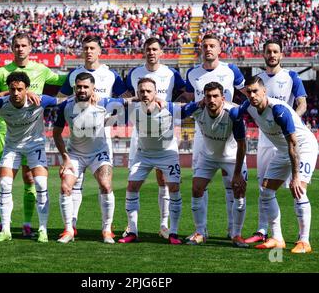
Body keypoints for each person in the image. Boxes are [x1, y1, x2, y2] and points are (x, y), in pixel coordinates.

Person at [0, 32, 65, 239]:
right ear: (12, 48)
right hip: (6, 134)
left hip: (32, 133)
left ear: (30, 48)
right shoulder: (1, 72)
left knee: (30, 179)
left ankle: (27, 223)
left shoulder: (41, 69)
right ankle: (2, 224)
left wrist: (85, 73)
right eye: (16, 45)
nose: (20, 49)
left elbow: (64, 80)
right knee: (3, 181)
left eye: (24, 45)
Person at [57, 35, 128, 236]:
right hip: (77, 137)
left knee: (105, 183)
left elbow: (123, 100)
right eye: (85, 47)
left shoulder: (110, 74)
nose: (88, 51)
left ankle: (108, 227)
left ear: (99, 51)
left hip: (101, 136)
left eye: (92, 48)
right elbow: (60, 100)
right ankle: (71, 226)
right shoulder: (74, 75)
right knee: (74, 184)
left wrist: (105, 106)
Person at [238, 76, 318, 253]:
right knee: (265, 190)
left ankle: (304, 241)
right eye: (249, 92)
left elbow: (293, 144)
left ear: (264, 91)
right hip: (283, 150)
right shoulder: (249, 106)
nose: (252, 95)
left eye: (255, 91)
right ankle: (277, 238)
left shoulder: (278, 110)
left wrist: (295, 177)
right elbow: (235, 113)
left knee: (298, 189)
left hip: (302, 147)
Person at [244, 39, 308, 244]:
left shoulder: (291, 76)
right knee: (264, 186)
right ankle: (264, 230)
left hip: (286, 137)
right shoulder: (257, 80)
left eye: (275, 51)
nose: (272, 55)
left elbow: (302, 103)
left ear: (281, 54)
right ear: (263, 54)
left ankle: (302, 237)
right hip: (265, 139)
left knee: (296, 186)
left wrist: (291, 122)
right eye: (268, 51)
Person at [122, 37, 186, 240]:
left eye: (155, 49)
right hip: (140, 132)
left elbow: (185, 96)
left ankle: (164, 224)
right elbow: (126, 95)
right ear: (144, 51)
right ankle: (131, 226)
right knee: (133, 181)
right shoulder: (134, 73)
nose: (151, 52)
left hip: (164, 131)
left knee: (164, 179)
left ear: (161, 52)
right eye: (148, 49)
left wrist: (168, 107)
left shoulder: (171, 73)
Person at [118, 78, 195, 245]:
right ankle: (133, 231)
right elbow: (113, 103)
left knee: (173, 188)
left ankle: (173, 232)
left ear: (156, 93)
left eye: (148, 91)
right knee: (132, 186)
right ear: (137, 93)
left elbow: (190, 107)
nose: (145, 94)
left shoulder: (169, 108)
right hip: (143, 154)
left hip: (167, 154)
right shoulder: (133, 108)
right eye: (142, 91)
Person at [185, 33, 246, 239]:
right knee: (199, 184)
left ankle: (233, 231)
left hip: (228, 129)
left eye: (212, 45)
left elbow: (246, 91)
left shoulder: (231, 70)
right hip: (203, 133)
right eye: (205, 46)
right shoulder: (193, 73)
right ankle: (201, 230)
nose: (208, 49)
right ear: (200, 50)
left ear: (220, 49)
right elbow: (185, 99)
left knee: (233, 186)